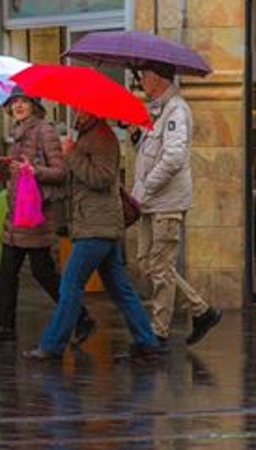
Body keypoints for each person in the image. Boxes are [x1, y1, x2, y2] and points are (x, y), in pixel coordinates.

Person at [25, 108, 161, 361]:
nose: (76, 113)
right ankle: (146, 341)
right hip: (96, 224)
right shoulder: (89, 135)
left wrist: (73, 154)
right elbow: (77, 178)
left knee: (71, 284)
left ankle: (53, 344)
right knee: (121, 288)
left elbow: (102, 177)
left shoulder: (102, 137)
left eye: (80, 109)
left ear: (93, 112)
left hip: (97, 226)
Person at [0, 88, 93, 346]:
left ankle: (81, 316)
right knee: (8, 271)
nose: (19, 106)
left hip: (35, 215)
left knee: (44, 273)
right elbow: (14, 172)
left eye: (24, 101)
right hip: (18, 214)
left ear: (34, 105)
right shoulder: (18, 133)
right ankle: (5, 327)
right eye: (14, 102)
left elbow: (60, 171)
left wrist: (34, 170)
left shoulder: (44, 130)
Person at [131, 62, 221, 346]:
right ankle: (201, 309)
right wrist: (137, 136)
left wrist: (146, 187)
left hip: (165, 202)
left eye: (144, 76)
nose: (141, 82)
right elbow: (151, 153)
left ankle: (159, 331)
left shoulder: (176, 111)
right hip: (149, 202)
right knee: (149, 263)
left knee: (160, 266)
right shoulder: (157, 111)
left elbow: (173, 158)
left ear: (157, 78)